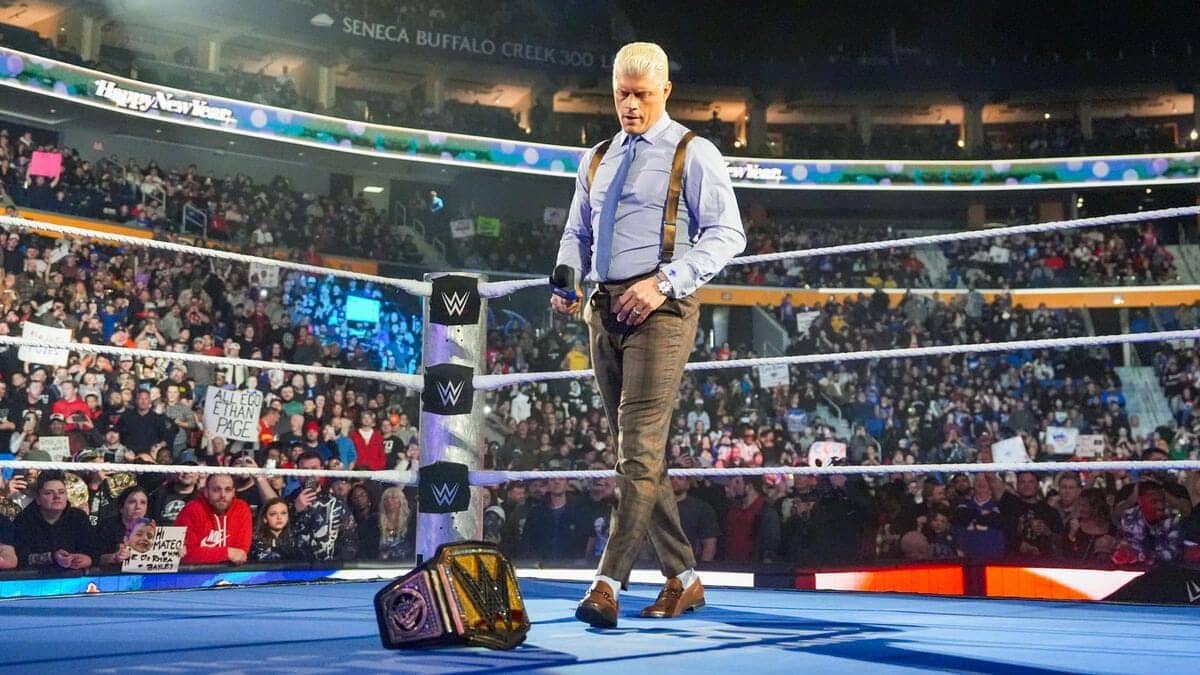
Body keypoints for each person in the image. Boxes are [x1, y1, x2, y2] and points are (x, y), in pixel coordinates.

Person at [557, 42, 746, 629]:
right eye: (622, 94)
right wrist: (566, 277)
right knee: (637, 455)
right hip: (602, 309)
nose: (631, 105)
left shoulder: (695, 151)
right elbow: (576, 231)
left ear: (666, 90)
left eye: (642, 94)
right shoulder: (597, 157)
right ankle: (684, 579)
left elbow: (728, 233)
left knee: (636, 451)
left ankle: (607, 582)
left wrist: (664, 283)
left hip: (661, 310)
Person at [13, 470, 97, 570]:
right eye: (48, 493)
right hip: (35, 577)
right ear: (38, 499)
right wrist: (51, 558)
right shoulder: (23, 520)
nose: (57, 497)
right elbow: (20, 558)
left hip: (75, 576)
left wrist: (88, 559)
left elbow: (95, 551)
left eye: (61, 492)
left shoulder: (79, 517)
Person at [288, 451, 356, 561]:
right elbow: (279, 536)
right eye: (304, 469)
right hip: (294, 566)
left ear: (322, 470)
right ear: (298, 472)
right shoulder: (288, 502)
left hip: (328, 566)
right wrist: (294, 511)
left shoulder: (336, 503)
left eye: (314, 468)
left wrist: (336, 566)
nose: (310, 474)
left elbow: (349, 539)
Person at [176, 473, 252, 565]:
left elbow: (240, 554)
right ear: (206, 492)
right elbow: (185, 555)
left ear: (233, 493)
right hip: (197, 571)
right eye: (216, 490)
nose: (223, 495)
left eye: (228, 490)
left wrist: (203, 553)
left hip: (231, 572)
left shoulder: (241, 508)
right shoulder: (191, 510)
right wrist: (227, 553)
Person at [95, 485, 151, 566]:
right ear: (121, 508)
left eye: (143, 502)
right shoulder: (107, 526)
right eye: (132, 502)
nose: (138, 507)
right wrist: (114, 557)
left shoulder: (152, 527)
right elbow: (96, 558)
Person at [250, 497, 299, 562]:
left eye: (283, 513)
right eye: (273, 514)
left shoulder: (296, 539)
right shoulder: (256, 542)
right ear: (265, 519)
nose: (279, 517)